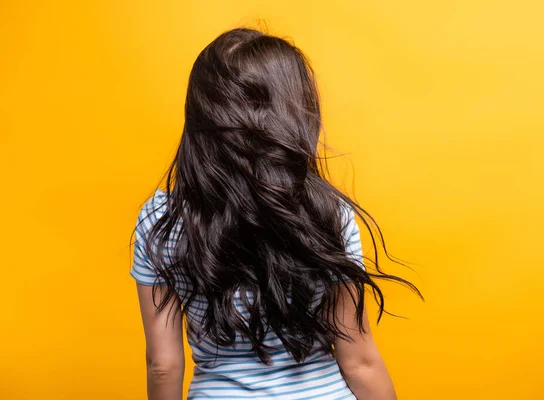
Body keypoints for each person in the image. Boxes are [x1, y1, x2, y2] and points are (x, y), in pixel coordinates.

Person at [131, 28, 420, 400]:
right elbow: (359, 362)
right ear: (294, 111)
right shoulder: (327, 213)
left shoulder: (160, 220)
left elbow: (163, 364)